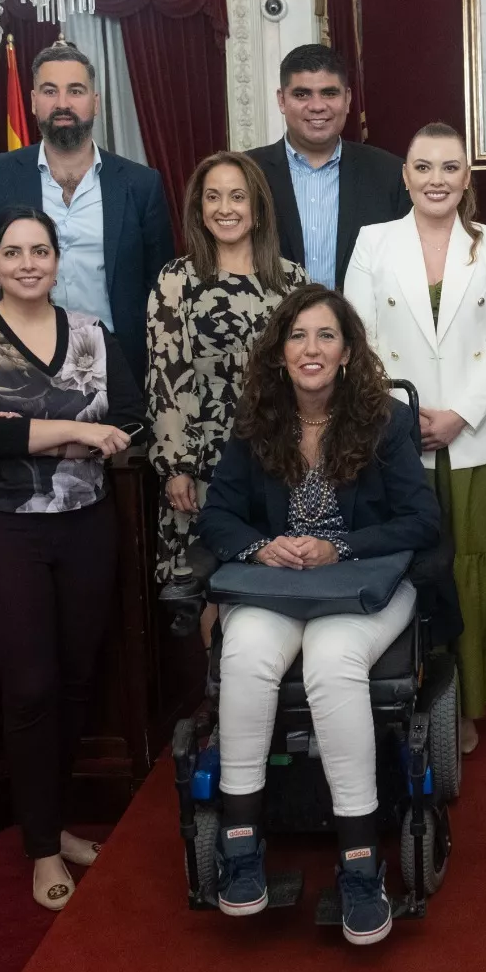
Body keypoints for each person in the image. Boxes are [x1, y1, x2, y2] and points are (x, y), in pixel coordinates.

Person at [195, 285, 440, 946]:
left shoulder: (384, 419)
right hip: (279, 586)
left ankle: (361, 862)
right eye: (298, 335)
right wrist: (259, 546)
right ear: (279, 352)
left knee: (333, 662)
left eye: (325, 335)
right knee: (243, 650)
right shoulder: (257, 423)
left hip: (364, 585)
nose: (311, 348)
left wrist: (342, 545)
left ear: (348, 350)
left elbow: (421, 520)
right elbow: (218, 514)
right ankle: (241, 846)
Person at [0, 205, 147, 911]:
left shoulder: (91, 332)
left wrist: (32, 430)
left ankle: (54, 820)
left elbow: (128, 416)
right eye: (12, 253)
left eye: (40, 251)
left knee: (78, 679)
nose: (28, 263)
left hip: (84, 524)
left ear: (57, 261)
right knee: (29, 686)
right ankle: (41, 847)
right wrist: (70, 430)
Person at [345, 123, 486, 751]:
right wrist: (405, 418)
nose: (436, 179)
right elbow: (358, 340)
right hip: (397, 439)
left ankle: (469, 704)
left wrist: (458, 413)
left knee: (476, 571)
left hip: (479, 438)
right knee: (413, 574)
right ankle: (409, 696)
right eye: (423, 166)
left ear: (467, 178)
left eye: (450, 167)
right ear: (404, 175)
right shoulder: (373, 242)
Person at [147, 151, 306, 643]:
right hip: (204, 461)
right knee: (213, 583)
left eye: (237, 196)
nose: (225, 208)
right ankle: (222, 708)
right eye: (212, 197)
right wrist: (178, 466)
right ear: (198, 209)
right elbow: (166, 375)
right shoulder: (177, 281)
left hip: (282, 457)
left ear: (257, 209)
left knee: (281, 572)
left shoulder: (293, 281)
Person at [0, 40, 174, 380]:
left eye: (75, 91)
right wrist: (18, 326)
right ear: (33, 102)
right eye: (50, 91)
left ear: (95, 102)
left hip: (120, 360)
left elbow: (159, 276)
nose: (63, 103)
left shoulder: (140, 183)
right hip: (25, 358)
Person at [246, 45, 411, 291]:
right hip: (270, 326)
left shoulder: (390, 174)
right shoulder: (246, 173)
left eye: (329, 93)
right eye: (302, 94)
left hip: (363, 326)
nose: (317, 106)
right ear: (282, 100)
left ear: (347, 99)